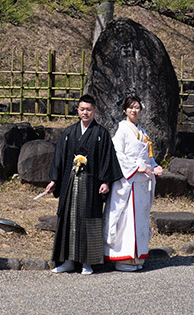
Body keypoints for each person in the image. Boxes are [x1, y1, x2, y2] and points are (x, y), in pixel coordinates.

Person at [45, 94, 121, 275]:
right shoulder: (69, 133)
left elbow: (107, 159)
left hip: (91, 184)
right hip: (70, 183)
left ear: (95, 111)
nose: (85, 112)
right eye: (82, 109)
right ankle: (68, 261)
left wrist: (105, 181)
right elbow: (59, 158)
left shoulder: (101, 134)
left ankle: (88, 262)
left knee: (90, 220)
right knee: (68, 219)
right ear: (77, 111)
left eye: (89, 109)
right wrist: (54, 179)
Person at [103, 94, 163, 272]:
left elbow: (148, 157)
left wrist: (155, 166)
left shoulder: (143, 132)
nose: (134, 110)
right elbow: (117, 154)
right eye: (131, 107)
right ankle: (123, 258)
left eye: (137, 107)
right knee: (125, 219)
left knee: (140, 219)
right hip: (128, 182)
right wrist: (137, 169)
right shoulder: (122, 130)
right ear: (125, 110)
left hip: (141, 183)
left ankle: (137, 257)